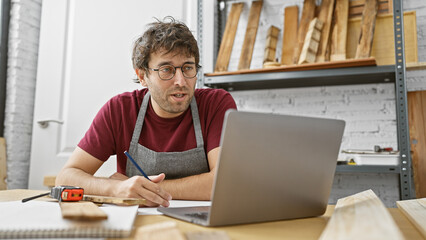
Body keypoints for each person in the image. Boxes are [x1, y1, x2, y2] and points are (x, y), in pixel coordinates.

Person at [55, 17, 237, 207]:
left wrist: (143, 189)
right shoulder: (119, 111)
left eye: (187, 68)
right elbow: (66, 177)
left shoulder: (216, 104)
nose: (181, 81)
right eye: (167, 70)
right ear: (142, 76)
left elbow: (224, 182)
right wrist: (115, 189)